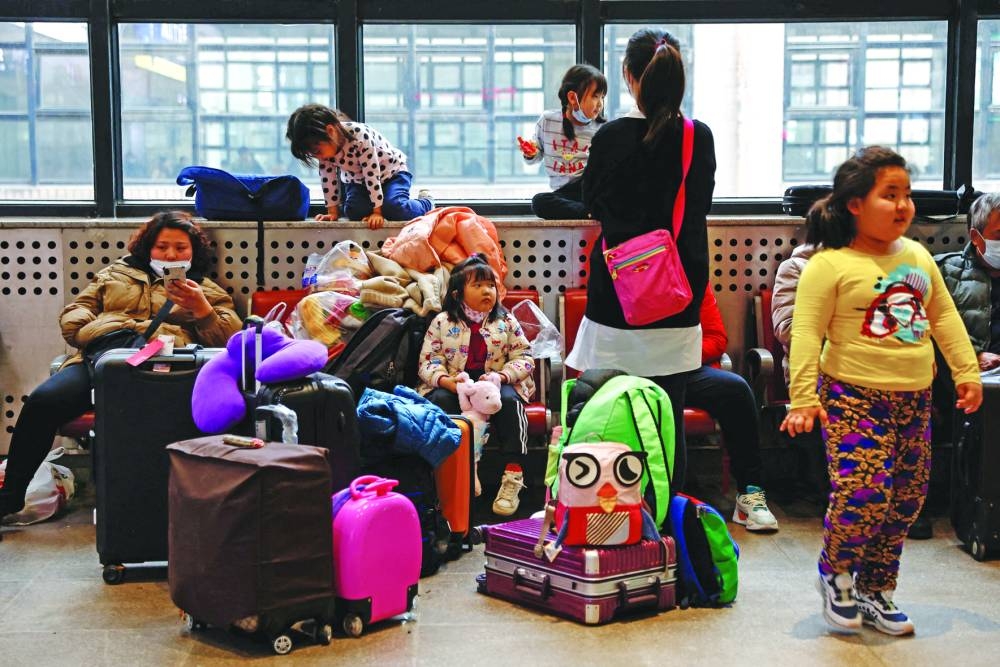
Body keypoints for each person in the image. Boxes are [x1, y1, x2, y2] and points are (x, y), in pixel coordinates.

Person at [781, 146, 982, 636]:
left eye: (907, 195)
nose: (902, 205)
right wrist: (804, 398)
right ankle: (836, 572)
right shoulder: (829, 265)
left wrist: (966, 372)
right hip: (852, 396)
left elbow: (943, 318)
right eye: (888, 195)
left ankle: (875, 587)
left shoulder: (916, 256)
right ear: (854, 204)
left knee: (906, 500)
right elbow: (806, 333)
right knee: (864, 493)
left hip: (914, 398)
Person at [0, 212, 241, 523]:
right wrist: (113, 327)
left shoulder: (204, 288)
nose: (170, 255)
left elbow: (230, 338)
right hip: (102, 361)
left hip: (164, 371)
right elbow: (75, 315)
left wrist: (201, 309)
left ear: (193, 251)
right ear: (146, 247)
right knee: (43, 401)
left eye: (181, 248)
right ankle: (10, 496)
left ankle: (161, 501)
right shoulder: (115, 274)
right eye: (161, 246)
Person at [566, 28, 716, 495]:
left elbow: (594, 202)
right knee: (668, 414)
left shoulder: (611, 137)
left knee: (605, 410)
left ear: (630, 76)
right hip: (677, 295)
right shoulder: (698, 136)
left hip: (619, 297)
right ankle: (668, 531)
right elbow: (699, 205)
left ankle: (613, 523)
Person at [416, 254, 535, 516]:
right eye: (478, 285)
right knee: (438, 404)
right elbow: (428, 363)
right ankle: (451, 477)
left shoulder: (505, 321)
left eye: (490, 285)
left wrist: (501, 377)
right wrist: (449, 383)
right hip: (456, 387)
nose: (487, 291)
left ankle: (513, 476)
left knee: (510, 402)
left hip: (495, 383)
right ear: (458, 294)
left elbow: (525, 358)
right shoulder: (442, 322)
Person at [686, 286, 778, 531]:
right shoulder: (624, 277)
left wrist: (680, 356)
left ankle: (750, 493)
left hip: (689, 367)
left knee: (736, 390)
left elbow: (716, 339)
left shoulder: (693, 279)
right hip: (641, 369)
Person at [286, 103, 434, 230]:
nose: (318, 157)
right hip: (358, 181)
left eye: (317, 151)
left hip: (391, 174)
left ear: (330, 131)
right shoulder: (325, 149)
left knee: (395, 208)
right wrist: (332, 211)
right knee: (353, 211)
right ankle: (379, 205)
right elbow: (328, 179)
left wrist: (377, 212)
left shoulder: (360, 137)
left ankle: (426, 202)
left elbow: (372, 174)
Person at [520, 64, 607, 220]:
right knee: (539, 202)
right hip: (564, 194)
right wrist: (531, 154)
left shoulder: (602, 128)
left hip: (589, 187)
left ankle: (590, 210)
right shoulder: (547, 120)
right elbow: (536, 155)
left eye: (602, 97)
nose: (600, 103)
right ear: (573, 98)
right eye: (595, 96)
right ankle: (589, 212)